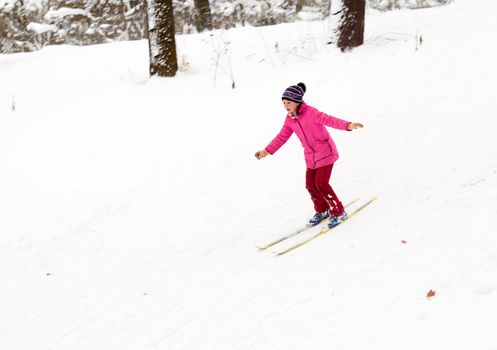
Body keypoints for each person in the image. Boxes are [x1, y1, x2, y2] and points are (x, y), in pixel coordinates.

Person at [254, 83, 364, 228]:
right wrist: (266, 151)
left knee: (321, 183)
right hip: (311, 157)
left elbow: (329, 120)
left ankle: (338, 211)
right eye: (284, 102)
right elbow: (282, 136)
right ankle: (323, 210)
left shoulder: (311, 113)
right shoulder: (290, 119)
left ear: (297, 101)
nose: (286, 105)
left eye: (289, 102)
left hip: (325, 152)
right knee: (310, 184)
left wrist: (348, 125)